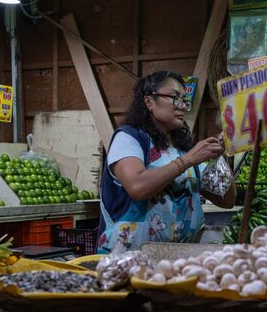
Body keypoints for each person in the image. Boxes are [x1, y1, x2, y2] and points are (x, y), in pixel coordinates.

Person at [97, 71, 236, 253]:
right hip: (125, 260)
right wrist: (187, 160)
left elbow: (226, 200)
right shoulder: (129, 138)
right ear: (149, 102)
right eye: (174, 97)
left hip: (175, 260)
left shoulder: (181, 150)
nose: (183, 107)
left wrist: (220, 159)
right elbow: (137, 187)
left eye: (184, 100)